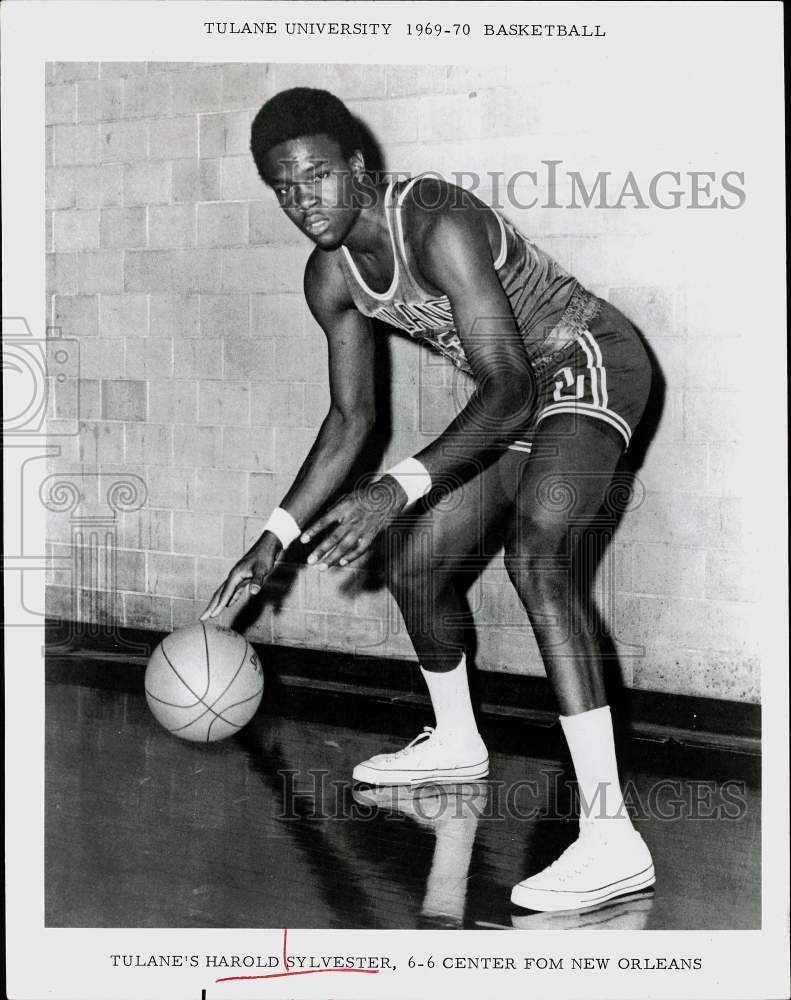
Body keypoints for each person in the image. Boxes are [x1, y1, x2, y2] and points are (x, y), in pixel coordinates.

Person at [201, 87, 655, 912]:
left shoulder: (436, 221)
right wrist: (275, 534)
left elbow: (513, 386)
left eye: (318, 177)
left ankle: (611, 835)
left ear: (359, 168)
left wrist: (396, 486)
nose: (306, 202)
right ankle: (454, 740)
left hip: (587, 363)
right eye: (285, 188)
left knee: (539, 559)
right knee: (414, 562)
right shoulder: (328, 278)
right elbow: (350, 419)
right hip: (513, 396)